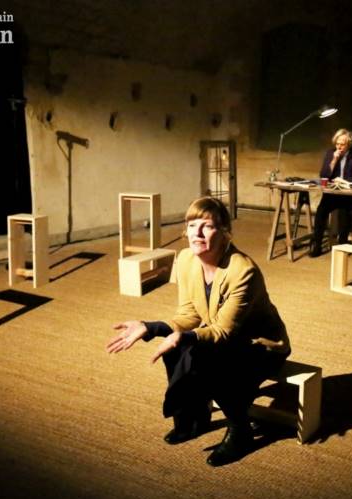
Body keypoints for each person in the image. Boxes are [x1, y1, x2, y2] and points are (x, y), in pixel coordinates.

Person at [106, 196, 290, 467]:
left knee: (206, 359)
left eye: (207, 226)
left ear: (225, 232)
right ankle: (192, 418)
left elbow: (224, 331)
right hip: (225, 336)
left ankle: (240, 430)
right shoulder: (186, 259)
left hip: (261, 346)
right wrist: (150, 327)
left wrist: (186, 336)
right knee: (175, 348)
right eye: (192, 225)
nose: (197, 233)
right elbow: (189, 314)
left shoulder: (243, 270)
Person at [309, 128, 352, 257]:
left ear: (349, 144)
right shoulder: (330, 153)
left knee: (344, 212)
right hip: (333, 193)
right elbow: (324, 175)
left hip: (349, 194)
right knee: (321, 211)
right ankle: (317, 244)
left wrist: (342, 181)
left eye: (342, 144)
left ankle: (342, 245)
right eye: (337, 144)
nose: (339, 147)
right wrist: (334, 160)